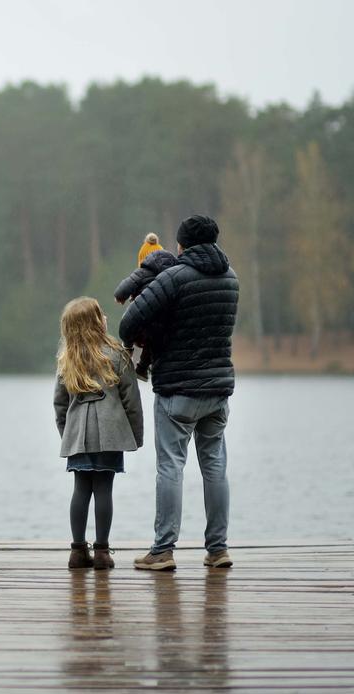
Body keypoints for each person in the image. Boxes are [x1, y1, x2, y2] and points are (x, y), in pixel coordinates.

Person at [119, 214, 239, 571]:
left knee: (170, 467)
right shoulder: (231, 279)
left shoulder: (174, 278)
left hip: (177, 391)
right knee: (215, 467)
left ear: (182, 246)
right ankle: (218, 550)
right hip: (218, 391)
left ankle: (163, 550)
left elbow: (129, 322)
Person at [54, 297, 145, 570]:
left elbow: (59, 403)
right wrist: (135, 436)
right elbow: (131, 400)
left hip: (78, 436)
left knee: (81, 489)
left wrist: (66, 434)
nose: (106, 317)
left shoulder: (67, 359)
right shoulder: (117, 355)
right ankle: (102, 552)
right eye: (101, 314)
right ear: (94, 324)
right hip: (110, 434)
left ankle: (78, 551)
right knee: (104, 489)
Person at [114, 232, 179, 380]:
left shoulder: (141, 273)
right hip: (163, 322)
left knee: (130, 326)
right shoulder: (171, 275)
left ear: (143, 259)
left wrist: (120, 297)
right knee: (153, 340)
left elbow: (122, 289)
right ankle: (142, 368)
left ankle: (127, 350)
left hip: (143, 318)